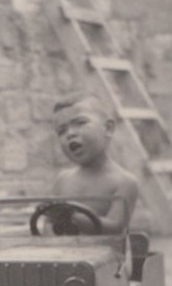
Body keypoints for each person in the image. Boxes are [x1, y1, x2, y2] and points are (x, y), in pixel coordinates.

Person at [52, 90, 139, 233]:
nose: (70, 134)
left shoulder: (125, 182)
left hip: (103, 247)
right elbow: (49, 228)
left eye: (80, 123)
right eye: (61, 131)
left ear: (108, 128)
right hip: (64, 248)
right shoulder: (62, 180)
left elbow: (115, 228)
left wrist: (71, 216)